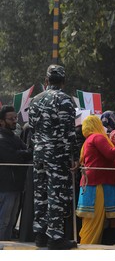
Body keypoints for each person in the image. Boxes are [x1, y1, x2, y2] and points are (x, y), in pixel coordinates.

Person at [28, 64, 79, 250]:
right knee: (56, 195)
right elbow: (69, 132)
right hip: (57, 155)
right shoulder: (65, 100)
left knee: (40, 195)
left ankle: (40, 236)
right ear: (64, 82)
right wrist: (73, 155)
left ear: (46, 80)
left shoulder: (35, 100)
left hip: (39, 154)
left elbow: (32, 129)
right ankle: (55, 238)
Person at [76, 115, 115, 244]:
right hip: (97, 185)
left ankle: (88, 247)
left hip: (91, 183)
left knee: (91, 223)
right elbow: (111, 154)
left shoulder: (88, 140)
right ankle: (88, 250)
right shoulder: (97, 137)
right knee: (95, 221)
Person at [0, 106, 32, 240]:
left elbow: (26, 152)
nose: (14, 121)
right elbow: (14, 156)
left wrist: (24, 153)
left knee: (11, 221)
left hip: (17, 186)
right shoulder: (1, 139)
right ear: (1, 121)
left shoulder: (14, 137)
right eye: (11, 119)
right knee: (4, 221)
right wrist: (24, 153)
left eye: (15, 118)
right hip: (6, 186)